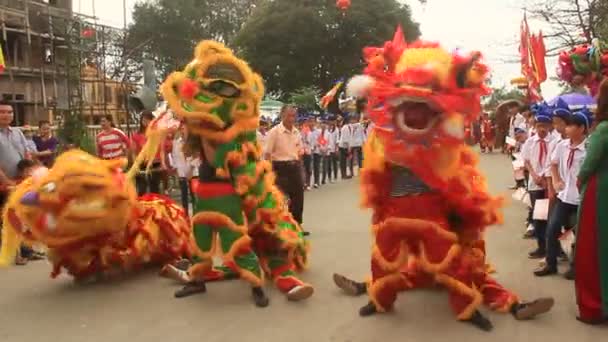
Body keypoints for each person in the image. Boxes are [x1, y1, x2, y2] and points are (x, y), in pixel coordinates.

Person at [535, 108, 590, 278]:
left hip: (582, 199)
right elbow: (553, 164)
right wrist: (557, 180)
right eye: (567, 126)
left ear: (581, 128)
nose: (567, 129)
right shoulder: (562, 146)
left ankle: (575, 267)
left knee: (579, 235)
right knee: (552, 229)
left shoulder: (589, 148)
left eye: (571, 126)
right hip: (565, 196)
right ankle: (551, 264)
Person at [575, 79, 608, 325]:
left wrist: (580, 179)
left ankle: (594, 306)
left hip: (600, 192)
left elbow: (589, 165)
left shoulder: (604, 129)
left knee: (592, 248)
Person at [265, 105, 308, 234]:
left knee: (298, 198)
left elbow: (300, 152)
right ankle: (280, 226)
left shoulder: (296, 132)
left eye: (293, 116)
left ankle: (297, 225)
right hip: (279, 167)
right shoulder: (274, 132)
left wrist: (301, 169)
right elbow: (267, 153)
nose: (291, 118)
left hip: (294, 167)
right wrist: (268, 172)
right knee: (281, 198)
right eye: (288, 115)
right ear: (282, 115)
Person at [0, 100, 33, 265]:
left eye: (9, 112)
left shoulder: (17, 132)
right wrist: (7, 181)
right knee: (9, 218)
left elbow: (27, 153)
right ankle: (15, 254)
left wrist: (28, 172)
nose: (6, 115)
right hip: (4, 184)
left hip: (21, 181)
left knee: (24, 215)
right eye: (2, 112)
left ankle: (27, 250)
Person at [522, 107, 556, 259]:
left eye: (545, 125)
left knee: (551, 217)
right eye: (539, 125)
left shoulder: (554, 142)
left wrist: (544, 176)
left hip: (549, 184)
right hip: (535, 184)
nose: (542, 129)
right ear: (535, 126)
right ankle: (541, 247)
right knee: (539, 217)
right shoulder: (530, 142)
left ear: (550, 126)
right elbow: (527, 160)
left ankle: (555, 248)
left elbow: (553, 162)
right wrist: (534, 175)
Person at [131, 111, 164, 196]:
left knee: (155, 189)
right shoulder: (136, 136)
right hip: (142, 164)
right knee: (141, 189)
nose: (146, 122)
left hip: (155, 164)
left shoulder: (157, 134)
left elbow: (161, 150)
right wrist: (136, 165)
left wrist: (163, 163)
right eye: (144, 120)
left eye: (148, 120)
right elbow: (134, 152)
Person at [339, 115, 352, 179]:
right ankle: (343, 175)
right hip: (343, 146)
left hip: (344, 145)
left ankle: (344, 174)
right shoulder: (345, 128)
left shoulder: (347, 127)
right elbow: (346, 139)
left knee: (344, 161)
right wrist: (349, 148)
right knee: (343, 161)